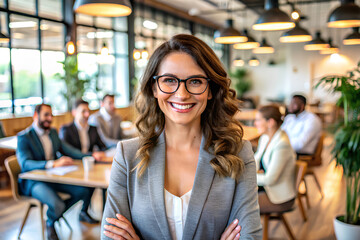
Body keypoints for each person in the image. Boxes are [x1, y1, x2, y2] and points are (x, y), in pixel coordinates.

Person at [101, 34, 262, 240]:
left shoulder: (238, 153)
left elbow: (250, 237)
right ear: (154, 88)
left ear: (210, 90)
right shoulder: (127, 155)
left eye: (195, 81)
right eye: (169, 80)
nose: (182, 94)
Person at [17, 104, 100, 240]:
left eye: (51, 115)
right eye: (46, 115)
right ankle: (51, 222)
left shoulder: (53, 133)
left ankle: (52, 218)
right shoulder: (24, 137)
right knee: (57, 204)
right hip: (34, 182)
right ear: (35, 115)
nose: (49, 118)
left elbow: (69, 150)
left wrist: (90, 156)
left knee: (83, 191)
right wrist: (52, 164)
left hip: (54, 178)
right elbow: (25, 164)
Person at [254, 105, 296, 212]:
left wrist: (246, 178)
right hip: (266, 190)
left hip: (280, 198)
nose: (255, 123)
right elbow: (256, 160)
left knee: (239, 206)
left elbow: (270, 179)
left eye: (258, 120)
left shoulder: (282, 144)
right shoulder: (265, 138)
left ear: (270, 122)